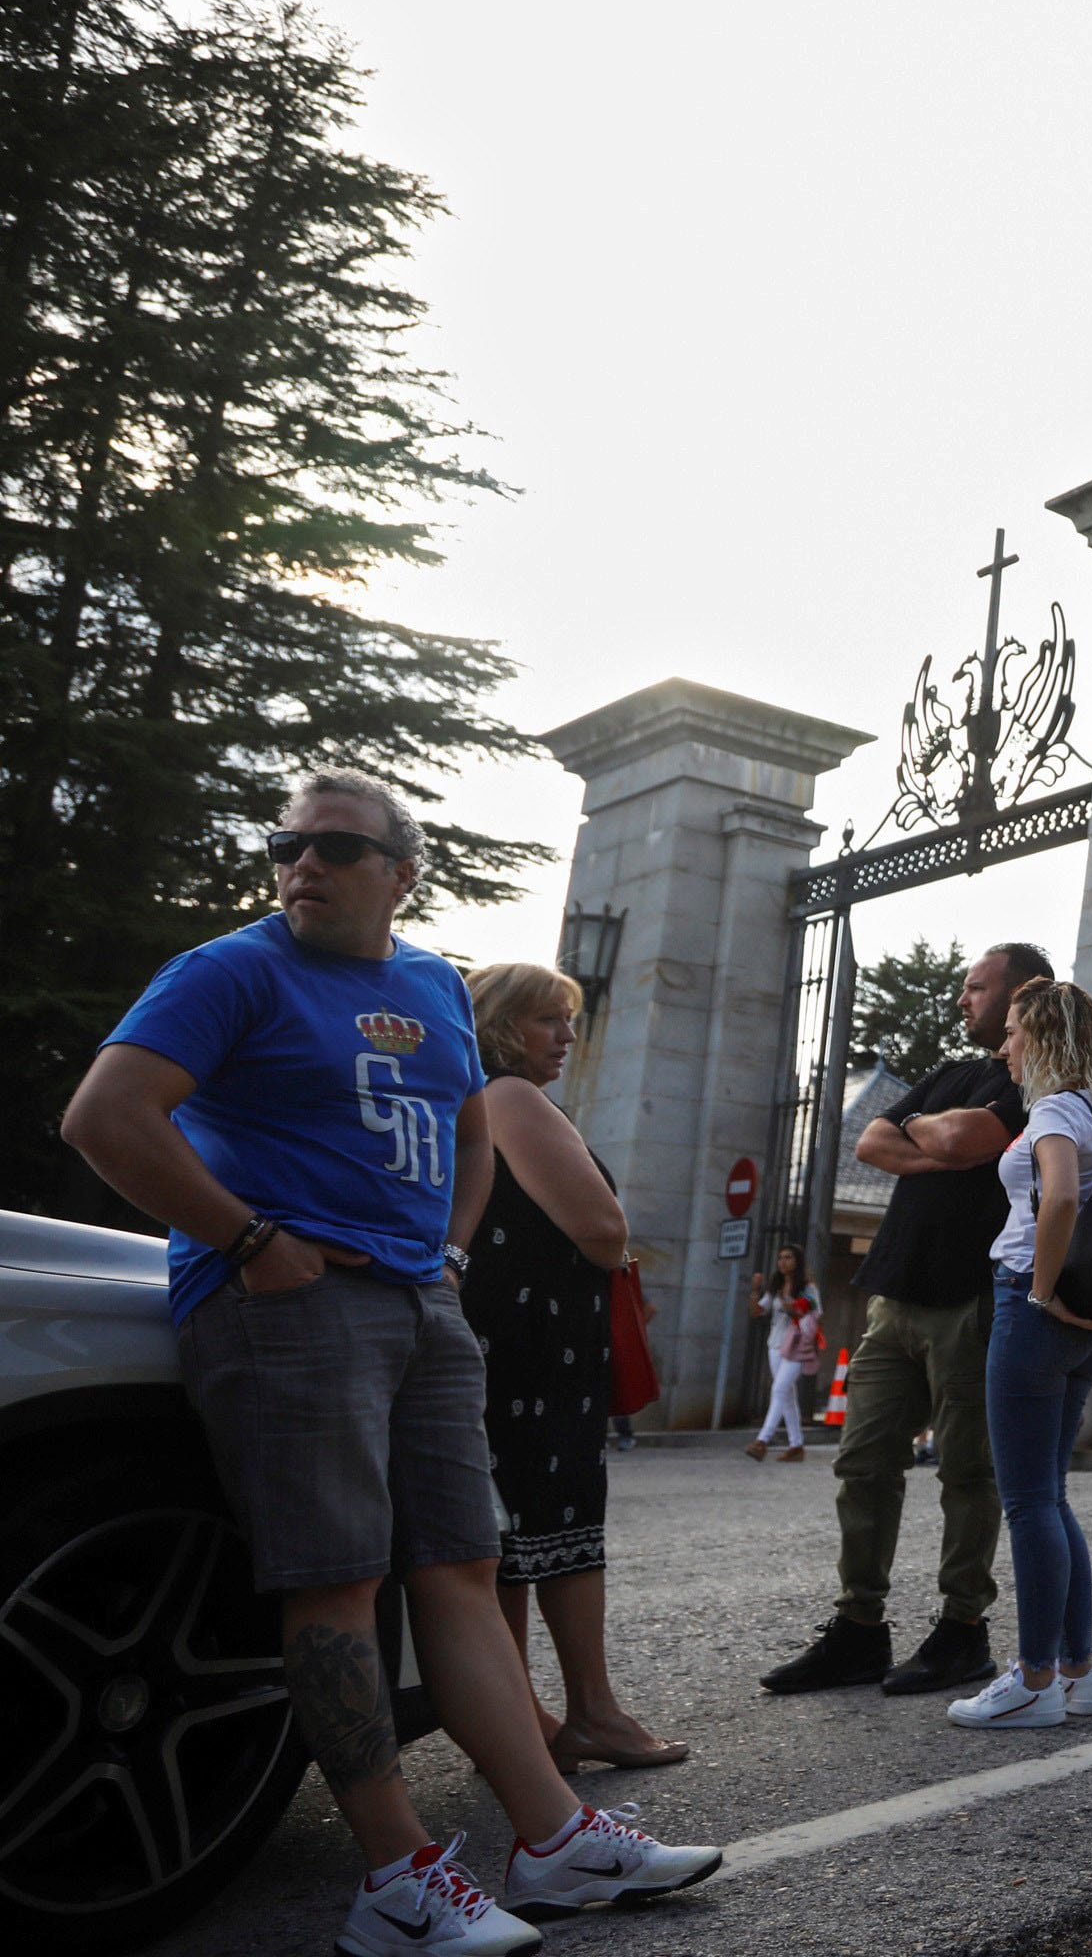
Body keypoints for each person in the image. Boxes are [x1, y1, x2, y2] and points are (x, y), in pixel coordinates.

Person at [61, 769, 719, 1957]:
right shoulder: (231, 969)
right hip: (287, 1311)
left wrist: (450, 1255)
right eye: (288, 843)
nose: (301, 862)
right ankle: (395, 1878)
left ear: (399, 871)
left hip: (418, 1303)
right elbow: (106, 1115)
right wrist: (249, 1239)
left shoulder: (425, 980)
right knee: (336, 1583)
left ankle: (554, 1839)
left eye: (334, 847)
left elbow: (471, 1130)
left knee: (464, 1566)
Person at [761, 943, 1052, 1697]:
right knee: (862, 1463)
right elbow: (870, 1140)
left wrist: (932, 1138)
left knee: (967, 1470)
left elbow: (954, 1138)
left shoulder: (1040, 1082)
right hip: (893, 1297)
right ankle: (859, 1629)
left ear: (1023, 994)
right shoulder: (956, 1075)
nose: (962, 999)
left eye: (976, 986)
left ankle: (963, 1632)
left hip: (975, 1298)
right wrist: (944, 1147)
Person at [905, 978, 1092, 1729]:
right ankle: (1079, 1672)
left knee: (1026, 1501)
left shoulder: (1057, 1107)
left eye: (1016, 1031)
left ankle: (1032, 1680)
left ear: (1046, 1037)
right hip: (1085, 1319)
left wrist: (1044, 1287)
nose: (1003, 1046)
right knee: (1051, 1498)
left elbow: (1057, 1198)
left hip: (1034, 1301)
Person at [460, 961, 686, 1773]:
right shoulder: (512, 1096)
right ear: (500, 1023)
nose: (566, 1037)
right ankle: (593, 1711)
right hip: (535, 1345)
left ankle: (524, 1719)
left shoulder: (467, 1096)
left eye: (569, 1020)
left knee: (511, 1539)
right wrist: (615, 1248)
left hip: (500, 1338)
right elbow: (599, 1225)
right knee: (559, 1524)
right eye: (547, 1019)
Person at [746, 1247, 822, 1461]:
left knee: (779, 1389)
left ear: (798, 1261)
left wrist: (791, 1304)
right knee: (787, 1395)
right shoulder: (776, 1287)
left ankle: (762, 1440)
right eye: (780, 1258)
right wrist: (755, 1290)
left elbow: (814, 1312)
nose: (783, 1262)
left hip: (797, 1345)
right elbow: (757, 1311)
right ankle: (796, 1445)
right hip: (776, 1345)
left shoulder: (808, 1288)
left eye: (788, 1257)